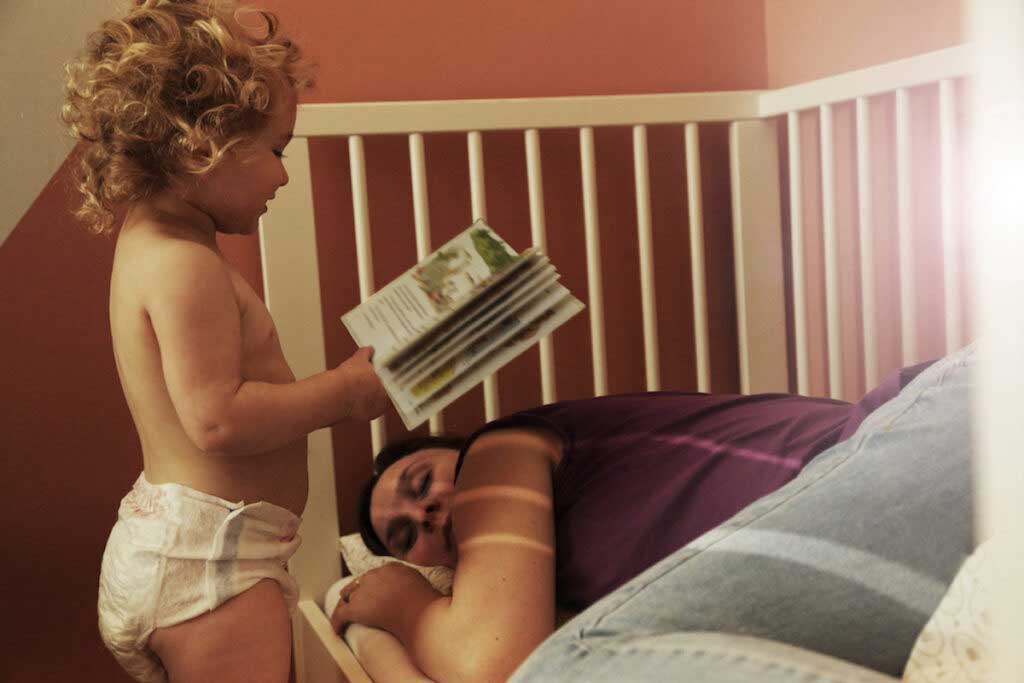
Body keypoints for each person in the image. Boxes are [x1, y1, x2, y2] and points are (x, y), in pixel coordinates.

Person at [61, 2, 389, 682]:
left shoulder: (156, 241)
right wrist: (345, 392)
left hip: (186, 549)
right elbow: (216, 418)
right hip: (212, 567)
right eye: (276, 149)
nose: (284, 176)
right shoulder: (183, 265)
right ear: (200, 144)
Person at [329, 357, 966, 683]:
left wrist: (403, 606)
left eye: (421, 482)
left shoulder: (504, 448)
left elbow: (489, 662)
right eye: (407, 535)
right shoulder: (570, 590)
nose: (429, 509)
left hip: (904, 444)